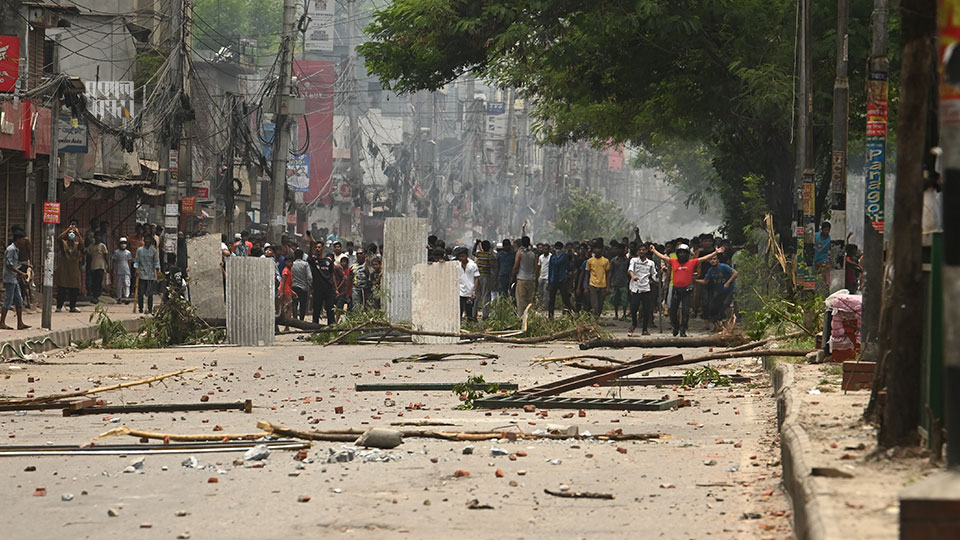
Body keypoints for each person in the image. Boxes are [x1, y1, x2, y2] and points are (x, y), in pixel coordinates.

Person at [650, 242, 724, 336]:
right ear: (677, 254)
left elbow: (704, 258)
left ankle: (683, 330)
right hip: (676, 291)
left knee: (685, 312)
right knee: (672, 312)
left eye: (684, 253)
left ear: (687, 254)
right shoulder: (673, 262)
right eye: (680, 253)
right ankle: (676, 326)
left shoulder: (691, 263)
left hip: (686, 291)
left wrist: (715, 252)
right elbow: (663, 257)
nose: (682, 255)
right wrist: (654, 250)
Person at [698, 255, 737, 330]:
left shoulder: (724, 267)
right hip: (719, 292)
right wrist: (695, 280)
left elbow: (735, 273)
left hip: (729, 290)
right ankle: (718, 325)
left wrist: (728, 282)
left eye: (714, 259)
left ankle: (730, 324)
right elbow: (705, 281)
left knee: (726, 305)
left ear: (718, 260)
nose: (713, 261)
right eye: (711, 260)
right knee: (713, 308)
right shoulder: (711, 270)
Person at [1, 230, 31, 329]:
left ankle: (20, 323)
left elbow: (14, 264)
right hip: (10, 278)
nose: (24, 241)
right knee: (8, 300)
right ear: (18, 239)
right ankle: (2, 322)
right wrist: (21, 273)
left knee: (19, 300)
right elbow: (9, 265)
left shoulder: (16, 249)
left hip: (14, 278)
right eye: (23, 239)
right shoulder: (11, 249)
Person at [627, 243, 658, 336]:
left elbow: (653, 275)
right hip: (636, 288)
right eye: (640, 250)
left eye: (643, 250)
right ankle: (634, 324)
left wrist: (658, 276)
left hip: (646, 288)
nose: (641, 251)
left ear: (646, 251)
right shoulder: (634, 260)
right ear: (637, 251)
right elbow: (630, 270)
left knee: (647, 309)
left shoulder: (650, 263)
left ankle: (644, 329)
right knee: (633, 308)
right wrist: (634, 276)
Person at [55, 224, 84, 313]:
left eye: (73, 234)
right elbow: (59, 238)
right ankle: (59, 306)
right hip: (64, 269)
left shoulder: (77, 245)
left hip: (74, 270)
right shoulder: (64, 244)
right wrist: (68, 230)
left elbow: (82, 244)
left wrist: (78, 233)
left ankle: (72, 307)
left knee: (74, 290)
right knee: (62, 289)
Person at [546, 241, 575, 320]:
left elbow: (560, 264)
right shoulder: (553, 257)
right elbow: (550, 269)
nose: (557, 250)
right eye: (557, 248)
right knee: (551, 299)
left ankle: (572, 313)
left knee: (565, 298)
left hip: (562, 280)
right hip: (553, 280)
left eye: (559, 248)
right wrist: (549, 281)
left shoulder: (564, 256)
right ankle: (550, 316)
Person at [134, 235, 161, 314]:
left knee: (150, 294)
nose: (147, 241)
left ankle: (149, 308)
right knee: (140, 293)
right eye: (146, 239)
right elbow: (137, 261)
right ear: (144, 240)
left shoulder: (153, 251)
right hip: (142, 275)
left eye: (149, 239)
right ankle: (141, 308)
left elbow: (156, 262)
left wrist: (157, 273)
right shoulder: (139, 250)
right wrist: (136, 270)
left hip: (150, 275)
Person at [309, 244, 336, 325]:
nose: (317, 249)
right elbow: (310, 256)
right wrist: (311, 246)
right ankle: (315, 327)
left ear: (322, 249)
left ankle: (331, 327)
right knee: (316, 309)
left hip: (328, 288)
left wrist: (335, 288)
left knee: (330, 309)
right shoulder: (313, 260)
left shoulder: (328, 261)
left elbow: (332, 275)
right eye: (316, 247)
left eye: (319, 247)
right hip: (318, 289)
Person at [512, 236, 537, 316]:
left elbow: (516, 266)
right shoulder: (533, 254)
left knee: (521, 300)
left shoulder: (519, 254)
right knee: (529, 300)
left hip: (521, 279)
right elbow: (536, 268)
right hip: (530, 279)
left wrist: (512, 276)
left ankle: (521, 317)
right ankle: (529, 317)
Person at [473, 240, 497, 319]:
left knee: (477, 296)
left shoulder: (479, 254)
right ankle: (485, 315)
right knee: (486, 295)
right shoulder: (490, 255)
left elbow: (473, 252)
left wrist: (476, 244)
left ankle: (473, 314)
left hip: (478, 277)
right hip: (486, 276)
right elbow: (493, 265)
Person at [457, 248, 480, 321]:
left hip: (469, 291)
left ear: (467, 256)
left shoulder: (473, 265)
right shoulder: (457, 264)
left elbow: (476, 278)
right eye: (460, 256)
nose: (462, 258)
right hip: (459, 291)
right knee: (459, 310)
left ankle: (470, 325)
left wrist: (474, 291)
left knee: (469, 310)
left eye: (463, 256)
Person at [609, 244, 630, 320]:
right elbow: (611, 272)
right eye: (618, 249)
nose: (619, 251)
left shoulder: (627, 260)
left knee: (624, 299)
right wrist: (609, 283)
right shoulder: (613, 261)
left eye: (621, 249)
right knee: (615, 299)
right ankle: (616, 314)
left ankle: (624, 314)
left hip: (624, 282)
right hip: (615, 282)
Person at [85, 235, 109, 303]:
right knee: (93, 282)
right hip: (93, 266)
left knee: (98, 281)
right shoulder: (91, 246)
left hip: (100, 266)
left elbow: (105, 256)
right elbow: (87, 253)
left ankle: (97, 295)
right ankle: (94, 295)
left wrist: (107, 265)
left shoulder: (102, 246)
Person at [291, 248, 311, 320]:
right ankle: (301, 319)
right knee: (303, 304)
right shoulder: (305, 264)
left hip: (293, 286)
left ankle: (295, 318)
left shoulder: (292, 264)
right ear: (302, 255)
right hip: (303, 287)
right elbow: (309, 277)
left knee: (294, 304)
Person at [111, 237, 132, 303]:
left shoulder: (128, 253)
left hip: (126, 271)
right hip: (119, 271)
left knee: (127, 284)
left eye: (124, 243)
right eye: (122, 243)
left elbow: (129, 262)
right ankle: (119, 297)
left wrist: (130, 271)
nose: (123, 244)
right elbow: (114, 261)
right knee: (119, 285)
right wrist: (113, 270)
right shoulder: (116, 252)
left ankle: (126, 297)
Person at [278, 257, 296, 328]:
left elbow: (287, 284)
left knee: (286, 308)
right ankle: (287, 326)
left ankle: (286, 325)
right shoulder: (286, 271)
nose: (291, 263)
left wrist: (292, 292)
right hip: (285, 291)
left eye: (292, 262)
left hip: (287, 290)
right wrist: (282, 292)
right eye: (289, 262)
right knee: (288, 309)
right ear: (285, 262)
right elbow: (283, 282)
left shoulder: (289, 270)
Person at [536, 244, 551, 309]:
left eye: (546, 249)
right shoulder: (541, 257)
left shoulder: (551, 257)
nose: (545, 250)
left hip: (547, 277)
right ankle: (540, 304)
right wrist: (536, 275)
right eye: (544, 249)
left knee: (546, 292)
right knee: (540, 291)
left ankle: (545, 306)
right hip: (541, 276)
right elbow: (539, 266)